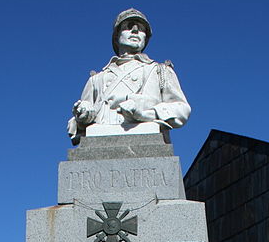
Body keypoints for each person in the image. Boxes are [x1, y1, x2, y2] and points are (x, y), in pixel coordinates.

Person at [68, 8, 191, 142]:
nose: (135, 30)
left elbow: (182, 110)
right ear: (117, 36)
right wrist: (83, 115)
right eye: (128, 26)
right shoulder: (96, 79)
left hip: (147, 139)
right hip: (99, 139)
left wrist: (145, 112)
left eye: (142, 29)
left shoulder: (160, 71)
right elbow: (82, 122)